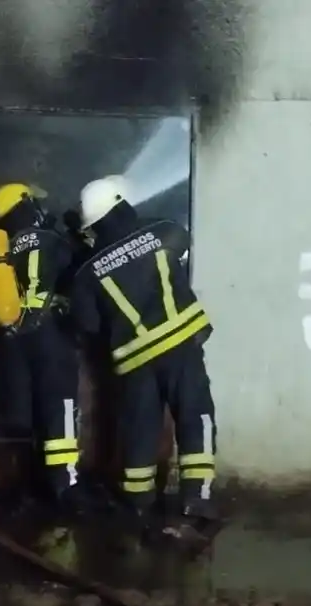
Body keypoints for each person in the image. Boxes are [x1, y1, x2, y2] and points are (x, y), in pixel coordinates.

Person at [68, 175, 218, 539]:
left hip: (133, 360)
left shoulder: (86, 274)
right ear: (123, 204)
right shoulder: (165, 231)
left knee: (139, 428)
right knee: (195, 417)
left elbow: (87, 326)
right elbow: (181, 248)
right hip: (181, 345)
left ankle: (137, 502)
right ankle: (197, 498)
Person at [0, 182, 91, 513]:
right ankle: (66, 487)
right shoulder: (54, 240)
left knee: (23, 412)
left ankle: (22, 486)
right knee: (60, 408)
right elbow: (81, 278)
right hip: (49, 334)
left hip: (13, 340)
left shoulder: (5, 248)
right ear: (25, 205)